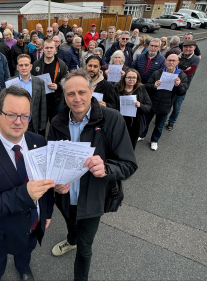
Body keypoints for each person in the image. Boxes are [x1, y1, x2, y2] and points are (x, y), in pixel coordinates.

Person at [48, 68, 138, 281]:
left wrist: (107, 168)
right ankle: (71, 240)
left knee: (85, 248)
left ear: (91, 91)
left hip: (93, 199)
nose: (77, 98)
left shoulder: (112, 119)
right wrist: (55, 183)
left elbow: (129, 164)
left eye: (82, 92)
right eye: (70, 94)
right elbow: (52, 161)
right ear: (65, 96)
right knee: (71, 226)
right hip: (65, 196)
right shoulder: (57, 123)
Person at [0, 85, 55, 281]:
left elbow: (46, 182)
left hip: (32, 224)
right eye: (11, 115)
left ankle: (23, 268)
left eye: (24, 116)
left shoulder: (38, 142)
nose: (18, 122)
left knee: (25, 253)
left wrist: (47, 212)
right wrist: (26, 194)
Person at [138, 54, 188, 151]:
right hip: (152, 102)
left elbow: (182, 92)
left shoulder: (181, 75)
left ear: (178, 62)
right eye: (169, 60)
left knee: (159, 126)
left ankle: (154, 141)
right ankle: (142, 135)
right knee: (146, 121)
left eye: (174, 61)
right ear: (165, 62)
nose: (171, 62)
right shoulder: (157, 73)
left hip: (166, 104)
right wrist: (154, 86)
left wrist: (178, 85)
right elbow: (147, 86)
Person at [31, 39, 68, 131]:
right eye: (47, 47)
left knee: (56, 127)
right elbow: (31, 81)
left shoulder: (61, 64)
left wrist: (58, 86)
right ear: (43, 48)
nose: (49, 50)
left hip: (56, 102)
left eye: (51, 47)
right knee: (40, 128)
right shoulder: (36, 64)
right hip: (40, 102)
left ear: (55, 49)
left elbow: (67, 81)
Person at [167, 40, 200, 131]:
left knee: (176, 107)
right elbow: (169, 68)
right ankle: (163, 118)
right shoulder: (178, 56)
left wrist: (177, 70)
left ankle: (171, 122)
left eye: (190, 47)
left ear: (194, 48)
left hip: (182, 86)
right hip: (170, 84)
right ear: (183, 47)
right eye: (186, 47)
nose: (188, 49)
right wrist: (183, 70)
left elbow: (189, 72)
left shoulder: (196, 59)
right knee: (167, 104)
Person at [114, 69, 152, 149]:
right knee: (118, 143)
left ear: (137, 79)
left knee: (131, 145)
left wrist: (140, 105)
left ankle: (129, 160)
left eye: (134, 78)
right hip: (120, 122)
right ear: (124, 78)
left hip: (135, 124)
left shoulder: (141, 89)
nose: (131, 79)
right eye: (129, 77)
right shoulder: (116, 88)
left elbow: (148, 107)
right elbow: (112, 104)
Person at [9, 54, 46, 135]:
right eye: (21, 65)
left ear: (31, 66)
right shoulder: (11, 82)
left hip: (33, 121)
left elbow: (43, 104)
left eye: (26, 65)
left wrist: (42, 124)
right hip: (16, 121)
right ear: (17, 67)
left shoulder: (40, 82)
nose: (24, 67)